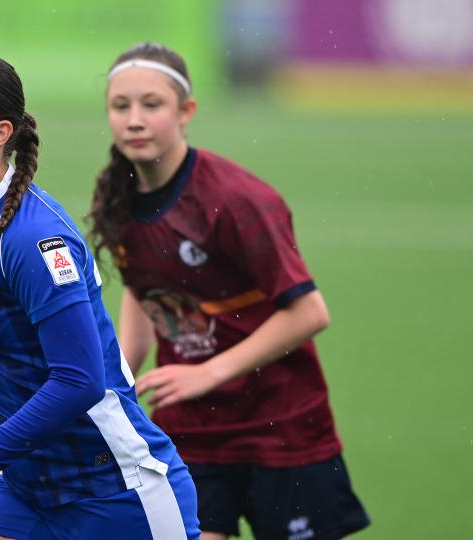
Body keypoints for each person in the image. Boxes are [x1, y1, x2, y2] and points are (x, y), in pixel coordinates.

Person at [0, 51, 201, 540]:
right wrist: (2, 455)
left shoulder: (35, 240)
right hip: (26, 487)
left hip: (117, 493)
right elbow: (8, 366)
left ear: (0, 133)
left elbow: (80, 380)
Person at [87, 42, 370, 540]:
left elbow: (309, 312)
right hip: (190, 433)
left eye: (151, 105)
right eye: (120, 105)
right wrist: (110, 393)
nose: (134, 119)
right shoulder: (120, 198)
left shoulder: (236, 199)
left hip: (282, 428)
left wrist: (208, 372)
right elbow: (143, 299)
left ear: (185, 112)